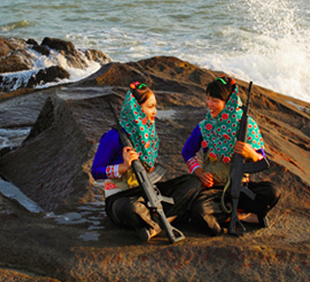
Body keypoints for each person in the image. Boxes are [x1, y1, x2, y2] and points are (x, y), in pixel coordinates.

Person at [92, 82, 203, 242]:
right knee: (131, 210)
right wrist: (122, 167)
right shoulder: (113, 137)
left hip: (148, 192)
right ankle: (168, 217)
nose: (155, 112)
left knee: (192, 183)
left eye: (155, 106)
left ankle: (155, 226)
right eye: (150, 107)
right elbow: (96, 171)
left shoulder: (149, 136)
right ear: (136, 109)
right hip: (121, 198)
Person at [182, 75, 280, 235]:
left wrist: (251, 154)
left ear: (228, 103)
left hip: (241, 189)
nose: (209, 104)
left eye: (214, 100)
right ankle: (244, 216)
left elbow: (261, 159)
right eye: (208, 98)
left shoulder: (247, 126)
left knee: (271, 192)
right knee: (199, 209)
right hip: (213, 191)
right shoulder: (205, 126)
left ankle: (231, 215)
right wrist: (200, 173)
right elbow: (187, 152)